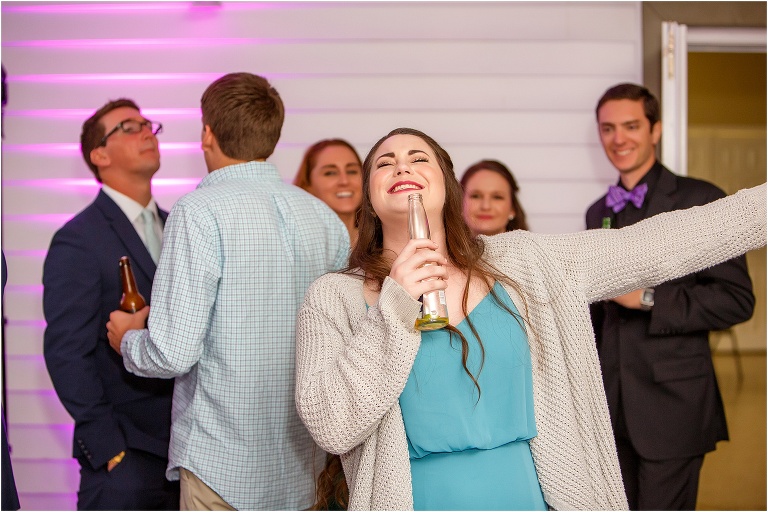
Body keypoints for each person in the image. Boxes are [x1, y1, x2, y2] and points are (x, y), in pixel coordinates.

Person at [293, 127, 765, 510]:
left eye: (418, 158)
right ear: (370, 198)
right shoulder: (333, 299)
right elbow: (333, 426)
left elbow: (661, 243)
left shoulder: (527, 262)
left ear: (447, 185)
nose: (402, 166)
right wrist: (396, 303)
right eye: (384, 162)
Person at [106, 72, 350, 510]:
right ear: (272, 136)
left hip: (222, 463)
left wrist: (127, 339)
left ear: (207, 134)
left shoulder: (198, 212)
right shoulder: (324, 219)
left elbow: (172, 353)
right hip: (305, 467)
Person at [585, 83, 755, 510]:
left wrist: (647, 299)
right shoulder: (597, 212)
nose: (618, 139)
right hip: (609, 406)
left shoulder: (701, 199)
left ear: (655, 130)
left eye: (630, 126)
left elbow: (736, 299)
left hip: (672, 407)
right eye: (608, 128)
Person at [42, 99, 178, 510]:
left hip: (189, 454)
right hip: (126, 459)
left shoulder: (181, 226)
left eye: (147, 125)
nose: (145, 133)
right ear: (99, 155)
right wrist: (110, 450)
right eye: (128, 127)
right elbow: (67, 353)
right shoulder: (77, 240)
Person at [294, 138, 363, 246]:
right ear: (308, 184)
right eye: (330, 173)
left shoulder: (381, 244)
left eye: (352, 171)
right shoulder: (297, 245)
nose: (344, 181)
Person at [460, 159, 529, 235]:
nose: (486, 206)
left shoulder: (537, 245)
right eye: (476, 196)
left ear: (513, 208)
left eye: (497, 197)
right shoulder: (446, 246)